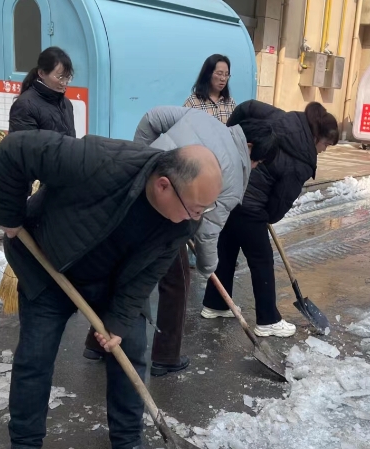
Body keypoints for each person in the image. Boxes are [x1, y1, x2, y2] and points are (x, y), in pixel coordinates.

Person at [0, 130, 222, 449]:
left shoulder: (184, 221)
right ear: (163, 185)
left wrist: (119, 320)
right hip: (50, 266)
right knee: (35, 356)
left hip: (113, 283)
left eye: (204, 209)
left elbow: (148, 274)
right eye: (195, 207)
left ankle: (127, 441)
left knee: (133, 351)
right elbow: (14, 150)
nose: (198, 217)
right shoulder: (99, 160)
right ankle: (25, 444)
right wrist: (8, 214)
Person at [82, 107, 280, 376]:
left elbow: (151, 118)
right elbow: (208, 230)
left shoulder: (203, 119)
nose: (254, 167)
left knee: (122, 270)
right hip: (169, 216)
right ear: (249, 147)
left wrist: (145, 160)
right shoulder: (232, 175)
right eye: (258, 162)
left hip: (141, 192)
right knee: (175, 283)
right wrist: (208, 267)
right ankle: (165, 356)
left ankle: (95, 344)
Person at [201, 101, 338, 337]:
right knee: (262, 261)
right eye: (326, 144)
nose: (324, 150)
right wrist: (268, 216)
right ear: (316, 137)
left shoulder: (284, 118)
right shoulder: (303, 160)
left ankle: (215, 304)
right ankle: (268, 320)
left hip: (231, 190)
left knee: (227, 251)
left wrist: (231, 139)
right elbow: (281, 200)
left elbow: (247, 107)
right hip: (252, 206)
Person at [8, 47, 76, 136]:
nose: (64, 83)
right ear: (42, 73)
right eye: (60, 77)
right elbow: (24, 143)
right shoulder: (24, 106)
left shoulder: (66, 103)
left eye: (67, 77)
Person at [184, 54, 237, 124]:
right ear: (208, 74)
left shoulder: (230, 103)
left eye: (226, 74)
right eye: (219, 73)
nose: (223, 79)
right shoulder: (192, 103)